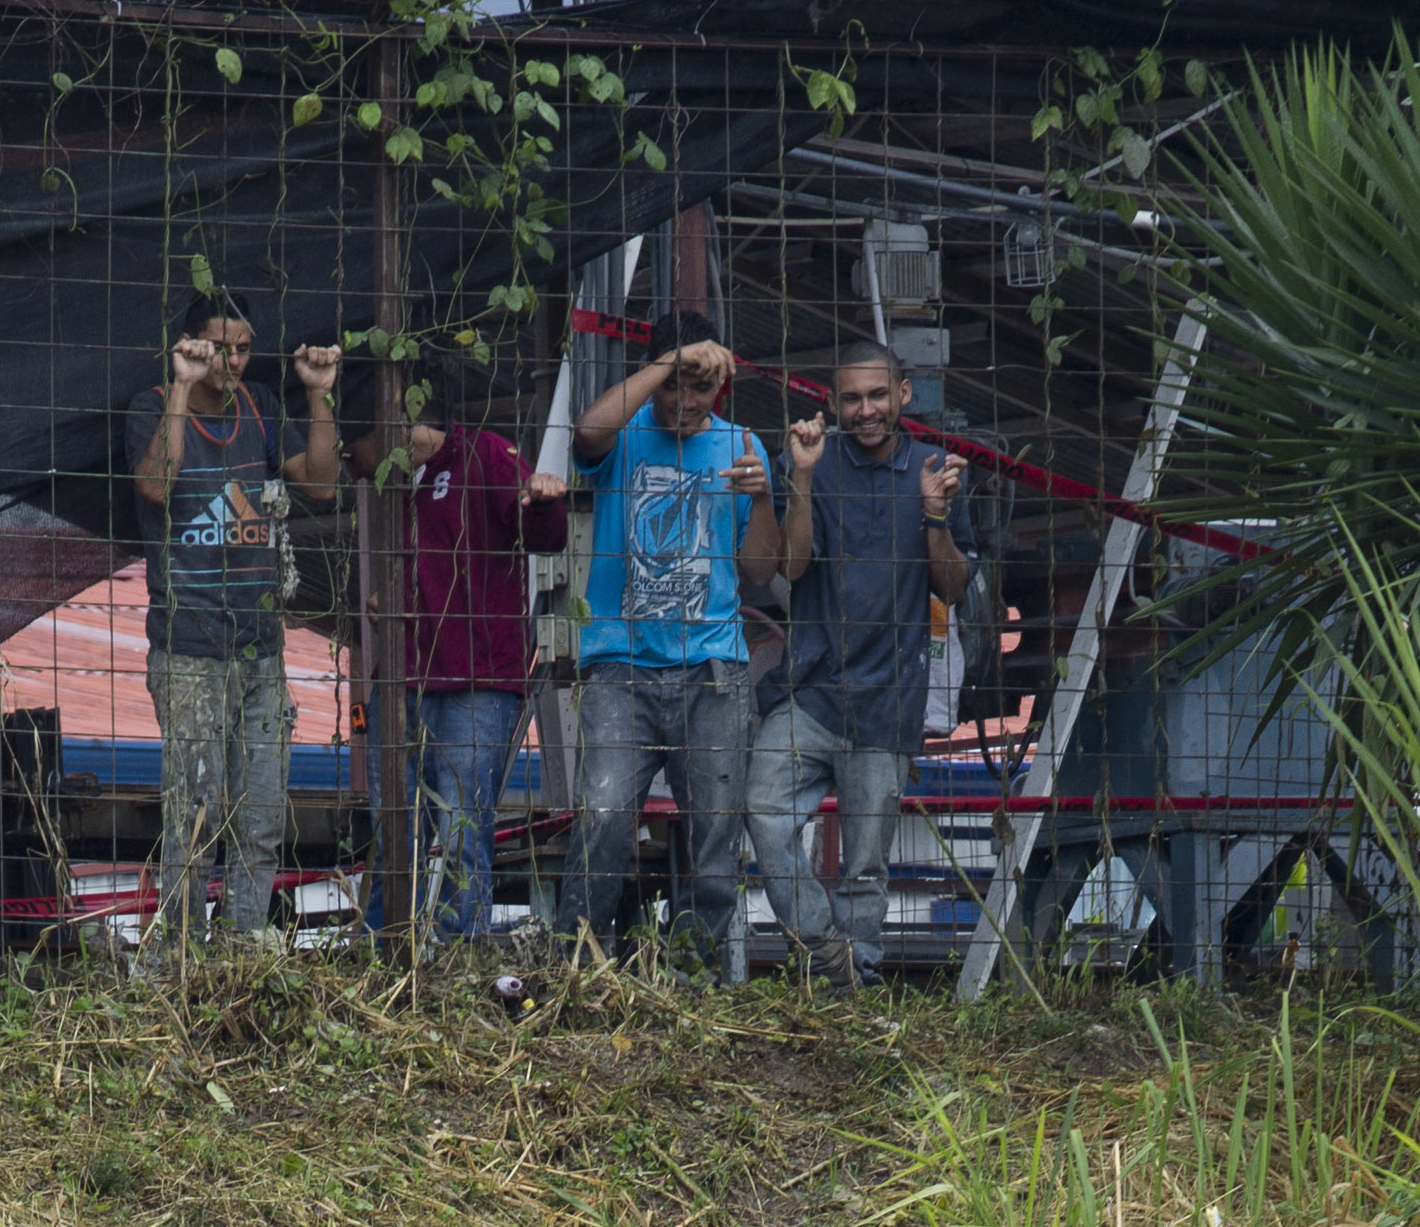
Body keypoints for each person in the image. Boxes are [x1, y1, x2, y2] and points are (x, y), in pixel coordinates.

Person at [746, 343, 971, 990]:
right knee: (763, 812)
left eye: (877, 395)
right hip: (809, 689)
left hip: (888, 702)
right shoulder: (807, 459)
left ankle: (855, 986)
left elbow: (952, 588)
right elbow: (789, 568)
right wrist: (805, 480)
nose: (865, 409)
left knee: (867, 868)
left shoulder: (937, 470)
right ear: (833, 402)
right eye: (851, 398)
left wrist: (934, 514)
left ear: (903, 394)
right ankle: (824, 948)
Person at [124, 301, 342, 954]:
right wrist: (183, 387)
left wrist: (319, 397)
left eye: (243, 348)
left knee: (263, 811)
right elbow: (157, 486)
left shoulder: (262, 408)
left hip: (259, 648)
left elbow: (324, 485)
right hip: (188, 646)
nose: (233, 360)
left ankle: (244, 946)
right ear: (190, 344)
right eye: (220, 347)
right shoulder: (152, 405)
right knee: (194, 809)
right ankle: (184, 953)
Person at [563, 320, 779, 964]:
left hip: (713, 670)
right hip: (618, 669)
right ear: (656, 375)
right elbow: (584, 433)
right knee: (602, 818)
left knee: (716, 837)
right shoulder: (625, 434)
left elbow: (761, 572)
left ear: (722, 387)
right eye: (676, 385)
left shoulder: (741, 445)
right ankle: (578, 964)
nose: (687, 402)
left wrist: (763, 498)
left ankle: (706, 978)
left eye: (703, 387)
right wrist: (669, 363)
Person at [360, 386, 569, 941]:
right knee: (393, 832)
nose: (356, 459)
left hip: (476, 680)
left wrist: (545, 499)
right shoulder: (393, 484)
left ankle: (455, 960)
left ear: (397, 426)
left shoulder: (486, 455)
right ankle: (381, 954)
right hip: (405, 675)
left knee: (459, 830)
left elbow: (545, 536)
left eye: (360, 442)